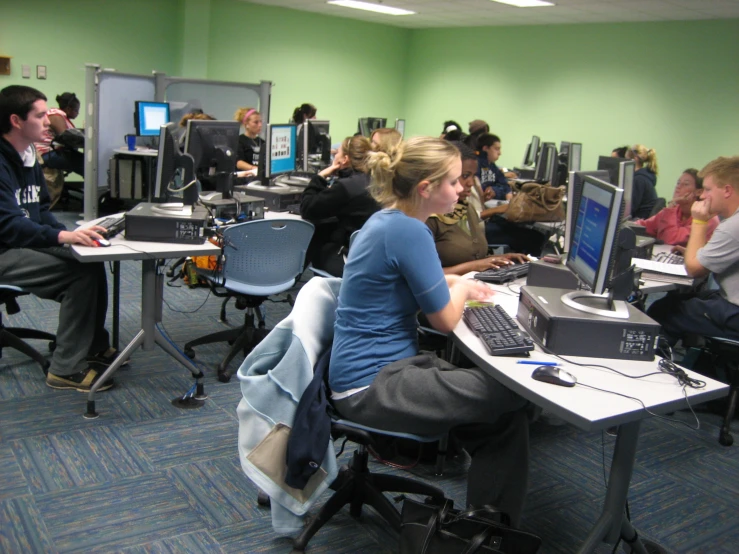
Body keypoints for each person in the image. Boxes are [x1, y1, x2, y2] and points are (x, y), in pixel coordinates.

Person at [329, 136, 530, 525]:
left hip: (385, 369)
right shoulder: (409, 231)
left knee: (505, 419)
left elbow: (427, 283)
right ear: (426, 188)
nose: (462, 189)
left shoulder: (391, 220)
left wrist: (456, 285)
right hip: (372, 385)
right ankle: (489, 530)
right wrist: (465, 287)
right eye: (454, 182)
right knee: (514, 392)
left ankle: (488, 528)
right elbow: (444, 320)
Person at [0, 85, 116, 392]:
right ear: (16, 121)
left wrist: (70, 238)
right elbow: (9, 226)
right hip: (4, 249)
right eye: (40, 116)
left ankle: (91, 345)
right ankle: (65, 369)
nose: (47, 122)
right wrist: (63, 235)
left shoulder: (26, 156)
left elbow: (40, 211)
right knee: (76, 275)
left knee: (90, 258)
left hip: (21, 241)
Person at [647, 156, 739, 345]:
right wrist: (694, 252)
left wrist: (699, 221)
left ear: (727, 190)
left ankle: (659, 366)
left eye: (707, 189)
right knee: (681, 299)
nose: (702, 196)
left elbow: (693, 268)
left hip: (735, 311)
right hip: (729, 300)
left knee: (662, 312)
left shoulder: (732, 226)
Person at [427, 143, 529, 275]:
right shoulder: (428, 218)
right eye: (464, 176)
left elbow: (473, 259)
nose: (471, 183)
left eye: (473, 176)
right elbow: (424, 277)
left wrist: (497, 259)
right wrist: (475, 266)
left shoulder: (465, 207)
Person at [300, 135, 378, 276]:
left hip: (348, 258)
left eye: (337, 153)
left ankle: (289, 279)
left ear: (345, 159)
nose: (335, 156)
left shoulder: (346, 187)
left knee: (318, 234)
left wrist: (319, 177)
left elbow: (307, 209)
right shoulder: (378, 180)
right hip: (372, 257)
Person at [634, 168, 718, 246]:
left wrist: (672, 205)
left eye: (685, 184)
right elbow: (644, 226)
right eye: (678, 183)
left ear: (698, 192)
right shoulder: (675, 210)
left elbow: (671, 240)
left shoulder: (706, 218)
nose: (678, 186)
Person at [34, 91, 84, 176]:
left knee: (85, 161)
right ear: (68, 109)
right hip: (45, 154)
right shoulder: (56, 115)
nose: (77, 113)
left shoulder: (62, 117)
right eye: (76, 110)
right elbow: (67, 138)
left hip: (53, 152)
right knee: (85, 164)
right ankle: (92, 187)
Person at [626, 144, 659, 218]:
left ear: (634, 159)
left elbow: (630, 209)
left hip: (640, 221)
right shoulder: (644, 176)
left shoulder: (639, 179)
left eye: (626, 160)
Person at [476, 133, 511, 201]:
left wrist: (495, 190)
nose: (500, 153)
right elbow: (482, 189)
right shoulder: (475, 165)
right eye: (497, 149)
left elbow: (504, 185)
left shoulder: (491, 165)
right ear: (485, 148)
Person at [234, 107, 264, 172]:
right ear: (246, 124)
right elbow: (238, 163)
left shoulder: (262, 142)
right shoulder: (239, 141)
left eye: (260, 122)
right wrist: (254, 169)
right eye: (256, 122)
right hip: (246, 178)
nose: (260, 125)